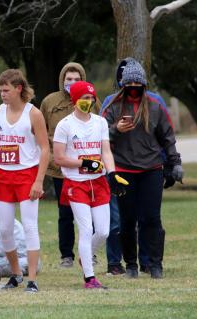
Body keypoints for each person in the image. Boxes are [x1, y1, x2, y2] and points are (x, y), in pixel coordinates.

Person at [102, 60, 183, 279]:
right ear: (123, 84)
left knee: (151, 218)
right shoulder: (113, 107)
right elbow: (100, 138)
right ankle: (131, 265)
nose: (134, 85)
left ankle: (155, 264)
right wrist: (115, 129)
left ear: (144, 84)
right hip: (123, 170)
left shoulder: (155, 106)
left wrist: (174, 163)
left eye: (138, 82)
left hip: (151, 169)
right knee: (128, 220)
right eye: (130, 82)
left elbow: (168, 138)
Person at [53, 81, 128, 289]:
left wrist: (112, 174)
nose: (88, 102)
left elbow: (106, 151)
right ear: (73, 100)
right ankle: (90, 278)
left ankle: (86, 256)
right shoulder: (65, 125)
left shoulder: (100, 123)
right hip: (76, 183)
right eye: (83, 98)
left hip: (98, 182)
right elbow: (58, 158)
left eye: (91, 98)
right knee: (86, 229)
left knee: (104, 231)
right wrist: (84, 163)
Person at [0, 69, 50, 292]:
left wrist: (39, 181)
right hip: (3, 175)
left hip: (27, 175)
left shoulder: (33, 114)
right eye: (0, 90)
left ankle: (32, 279)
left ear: (18, 88)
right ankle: (16, 275)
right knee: (4, 229)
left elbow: (44, 148)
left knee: (30, 227)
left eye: (6, 90)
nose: (2, 94)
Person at [40, 62, 101, 268]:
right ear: (62, 80)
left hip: (87, 169)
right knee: (65, 213)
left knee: (89, 213)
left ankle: (89, 252)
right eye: (68, 79)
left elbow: (98, 128)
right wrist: (49, 157)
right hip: (60, 169)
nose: (72, 83)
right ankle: (66, 255)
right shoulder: (50, 101)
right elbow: (41, 131)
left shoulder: (92, 100)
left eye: (76, 79)